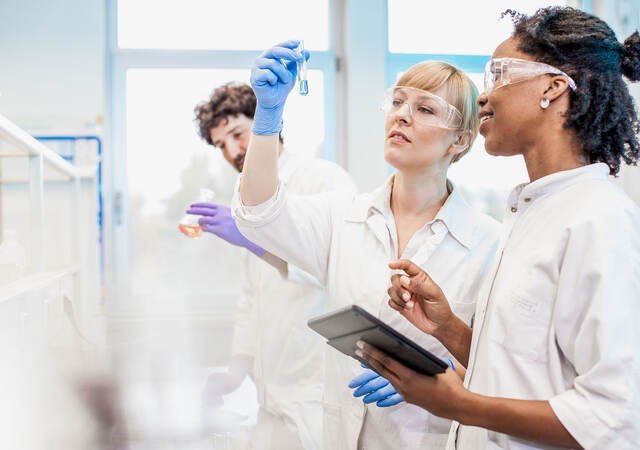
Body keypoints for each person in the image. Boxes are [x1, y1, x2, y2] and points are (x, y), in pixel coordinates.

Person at [357, 6, 640, 450]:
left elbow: (615, 418)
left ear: (553, 86)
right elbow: (526, 372)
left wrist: (458, 405)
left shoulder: (598, 219)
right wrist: (447, 326)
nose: (484, 97)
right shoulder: (532, 211)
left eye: (500, 74)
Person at [231, 41, 501, 449]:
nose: (402, 116)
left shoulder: (490, 243)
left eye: (424, 109)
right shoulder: (342, 217)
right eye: (397, 102)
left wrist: (440, 372)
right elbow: (259, 213)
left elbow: (506, 365)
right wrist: (268, 118)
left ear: (460, 141)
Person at [190, 81, 356, 450]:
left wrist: (255, 238)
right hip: (271, 393)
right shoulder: (243, 201)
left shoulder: (323, 179)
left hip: (317, 390)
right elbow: (252, 297)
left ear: (267, 123)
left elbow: (343, 268)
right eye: (221, 145)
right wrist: (236, 371)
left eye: (238, 133)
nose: (233, 150)